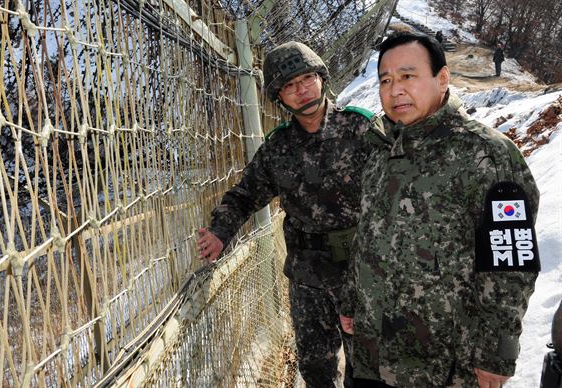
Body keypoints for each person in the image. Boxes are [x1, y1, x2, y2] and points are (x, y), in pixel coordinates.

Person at [344, 31, 540, 387]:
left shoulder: (486, 155)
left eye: (408, 76)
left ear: (442, 78)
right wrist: (349, 300)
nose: (395, 90)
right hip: (372, 355)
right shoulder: (379, 148)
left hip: (444, 366)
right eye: (385, 80)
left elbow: (510, 262)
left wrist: (497, 353)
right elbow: (367, 234)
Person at [197, 41, 379, 387]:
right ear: (279, 96)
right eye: (289, 86)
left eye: (307, 78)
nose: (301, 90)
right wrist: (220, 232)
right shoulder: (278, 148)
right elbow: (244, 195)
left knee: (369, 368)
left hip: (361, 271)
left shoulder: (362, 130)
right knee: (315, 370)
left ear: (321, 78)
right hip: (307, 277)